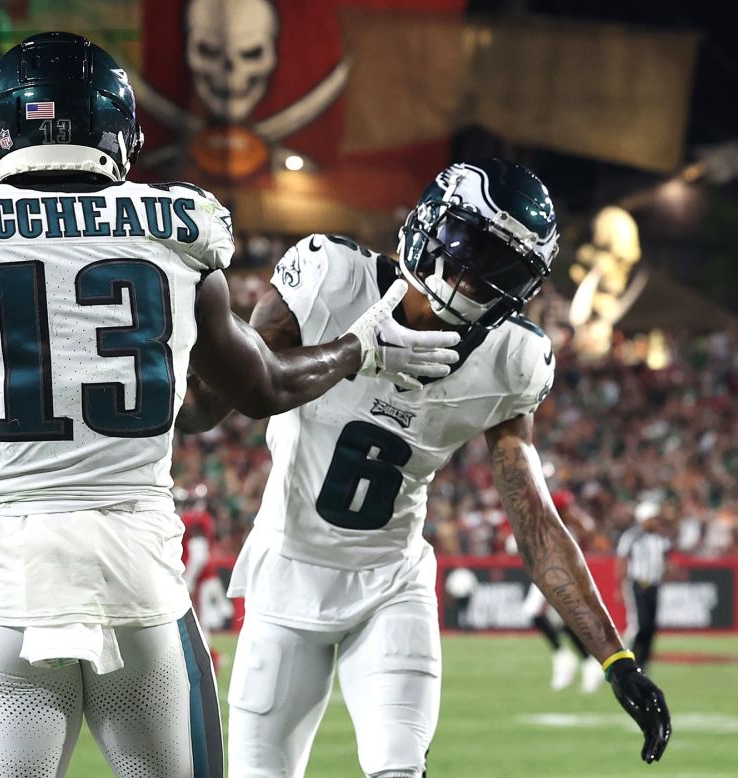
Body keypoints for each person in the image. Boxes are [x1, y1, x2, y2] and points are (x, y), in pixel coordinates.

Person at [0, 32, 459, 776]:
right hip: (137, 573)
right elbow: (262, 389)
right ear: (120, 131)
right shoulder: (177, 226)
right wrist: (363, 348)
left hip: (6, 581)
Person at [178, 159, 671, 776]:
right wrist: (352, 348)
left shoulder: (512, 358)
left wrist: (615, 659)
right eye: (469, 249)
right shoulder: (331, 278)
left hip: (392, 586)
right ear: (429, 226)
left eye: (501, 270)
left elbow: (537, 523)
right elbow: (215, 404)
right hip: (287, 579)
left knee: (398, 767)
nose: (473, 280)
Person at [520, 487, 605, 692]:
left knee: (533, 612)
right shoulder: (552, 523)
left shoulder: (567, 525)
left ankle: (566, 657)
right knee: (562, 620)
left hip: (560, 573)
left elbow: (588, 531)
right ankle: (584, 662)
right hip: (550, 572)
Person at [617, 500, 671, 672]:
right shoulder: (632, 536)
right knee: (640, 624)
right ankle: (624, 659)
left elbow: (664, 560)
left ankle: (643, 664)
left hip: (654, 585)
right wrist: (618, 585)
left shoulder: (659, 538)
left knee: (651, 626)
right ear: (644, 518)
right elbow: (622, 560)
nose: (656, 521)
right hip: (638, 585)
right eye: (653, 518)